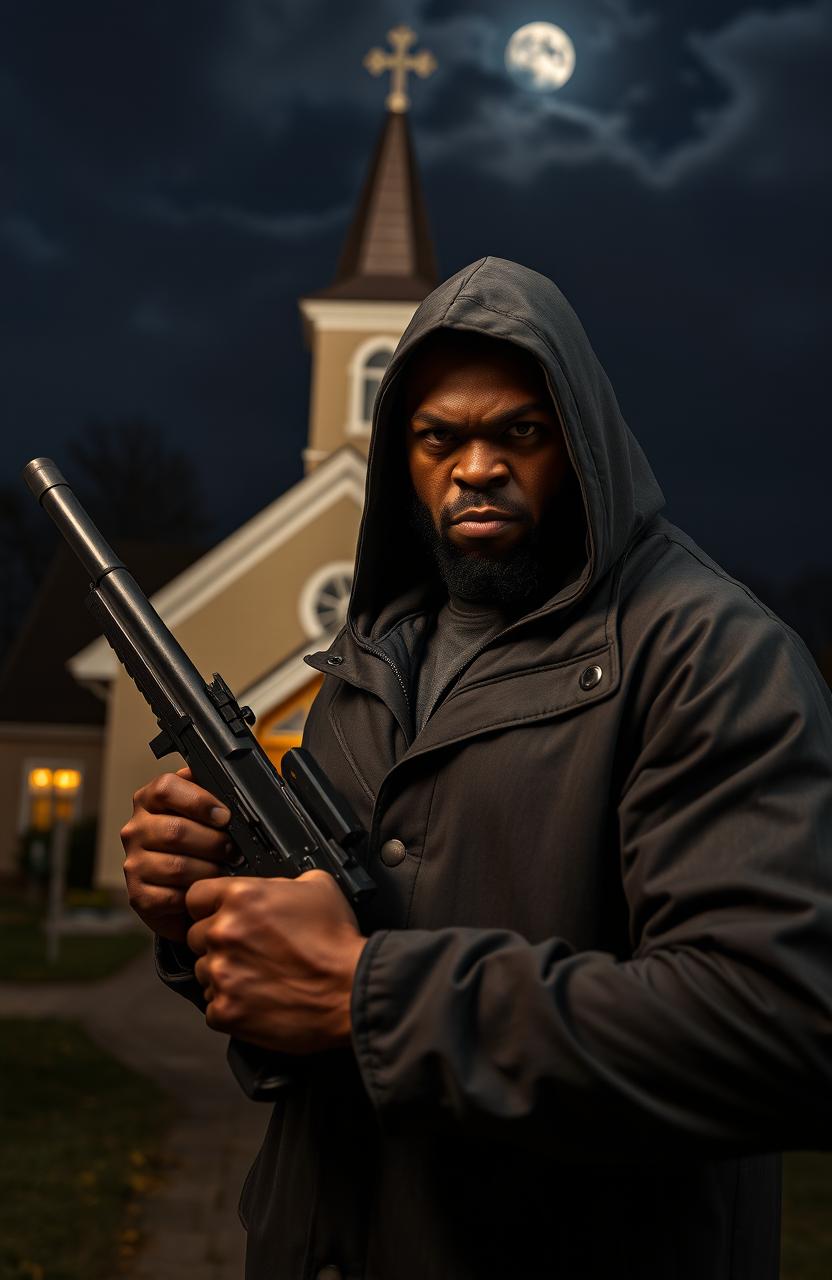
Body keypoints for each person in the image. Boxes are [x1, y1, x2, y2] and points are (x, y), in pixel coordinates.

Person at [121, 256, 832, 1280]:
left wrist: (370, 993)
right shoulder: (368, 667)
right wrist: (201, 915)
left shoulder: (711, 655)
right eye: (439, 437)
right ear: (401, 460)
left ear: (579, 442)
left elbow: (777, 1027)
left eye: (518, 433)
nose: (476, 465)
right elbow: (301, 1018)